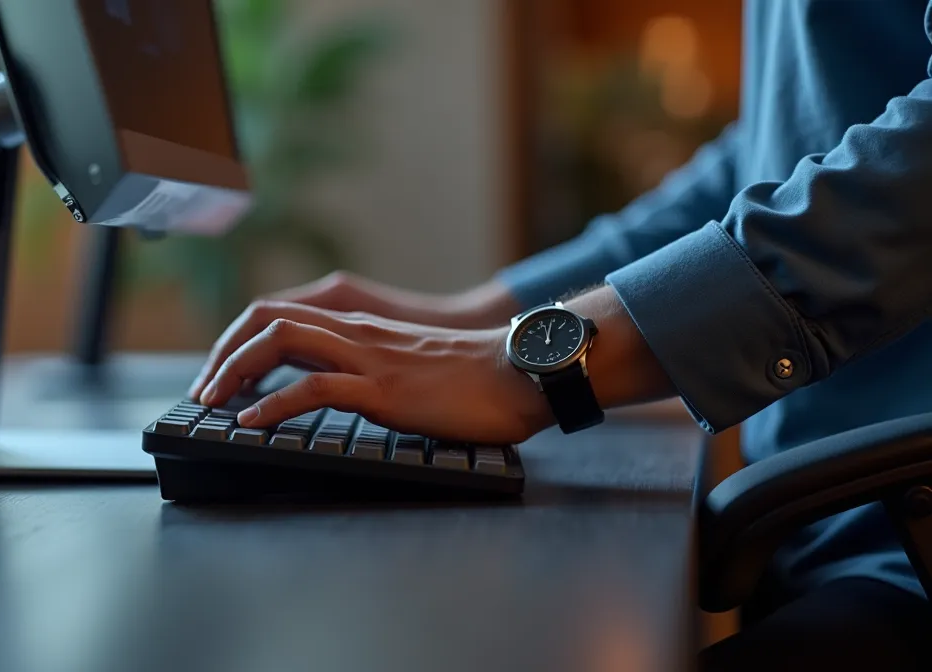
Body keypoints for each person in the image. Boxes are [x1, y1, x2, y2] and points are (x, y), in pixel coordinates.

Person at [189, 1, 932, 670]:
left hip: (902, 563)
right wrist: (478, 316)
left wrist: (535, 369)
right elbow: (783, 148)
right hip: (838, 541)